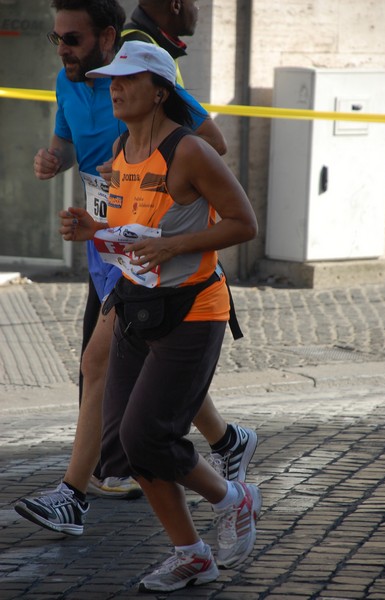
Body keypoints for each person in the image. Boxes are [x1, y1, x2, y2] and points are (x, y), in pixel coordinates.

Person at [14, 0, 257, 535]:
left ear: (106, 37)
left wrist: (165, 217)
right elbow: (68, 146)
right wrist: (55, 163)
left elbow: (206, 149)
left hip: (155, 252)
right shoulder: (68, 82)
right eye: (55, 39)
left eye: (71, 39)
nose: (62, 50)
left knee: (101, 365)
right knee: (141, 366)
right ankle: (224, 447)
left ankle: (76, 493)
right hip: (113, 241)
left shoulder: (145, 81)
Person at [60, 39, 262, 593]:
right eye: (110, 81)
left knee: (147, 435)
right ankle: (192, 553)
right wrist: (91, 229)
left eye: (125, 80)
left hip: (195, 309)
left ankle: (232, 498)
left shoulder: (190, 151)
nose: (113, 88)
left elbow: (244, 225)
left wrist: (177, 248)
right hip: (136, 307)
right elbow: (134, 231)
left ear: (159, 90)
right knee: (123, 445)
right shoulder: (123, 149)